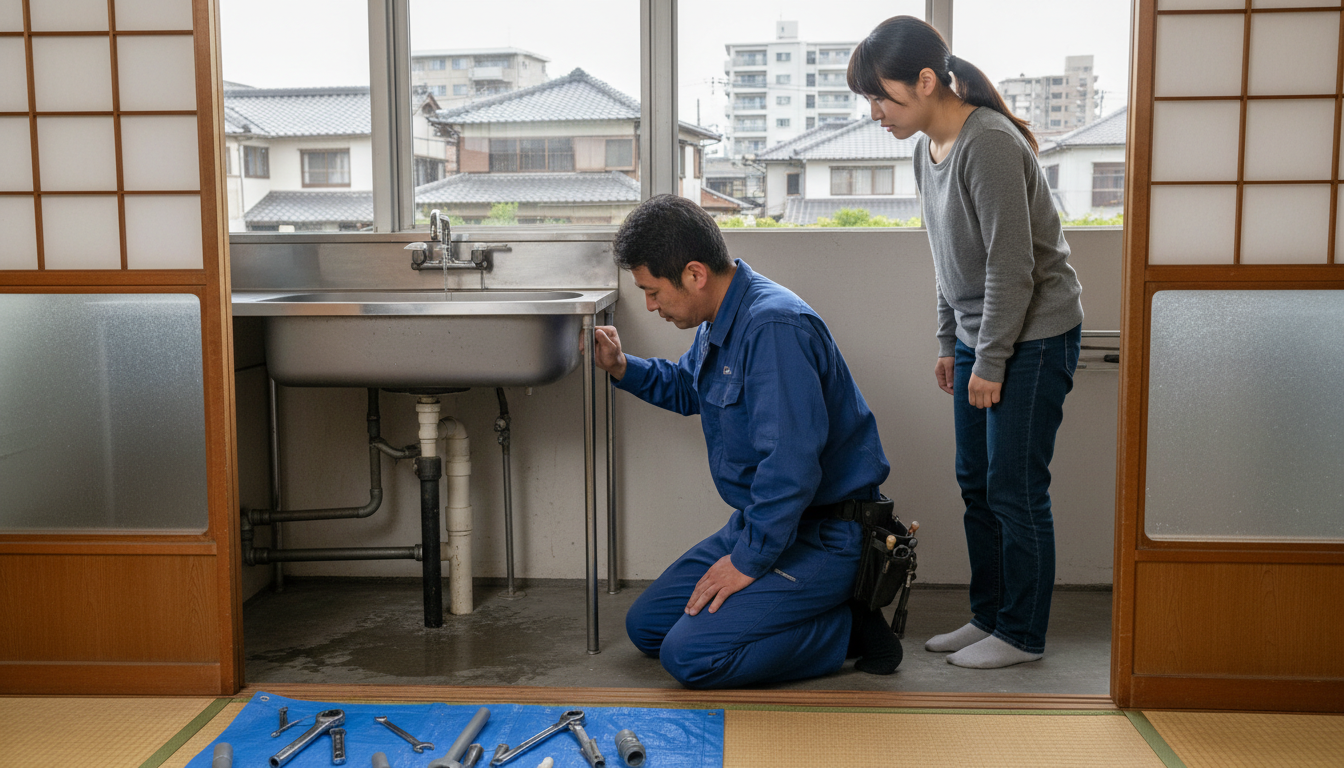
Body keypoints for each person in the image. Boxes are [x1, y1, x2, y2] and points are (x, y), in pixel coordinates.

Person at [847, 16, 1084, 669]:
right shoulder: (926, 150)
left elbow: (1013, 269)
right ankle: (990, 618)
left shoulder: (991, 145)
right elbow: (948, 262)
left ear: (926, 81)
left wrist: (992, 358)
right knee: (976, 484)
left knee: (1014, 488)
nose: (875, 112)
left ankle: (1022, 634)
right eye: (868, 99)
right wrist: (950, 343)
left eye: (883, 97)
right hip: (986, 341)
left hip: (1033, 336)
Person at [594, 194, 898, 689]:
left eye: (653, 292)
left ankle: (849, 629)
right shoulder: (723, 318)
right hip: (770, 522)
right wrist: (623, 368)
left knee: (689, 658)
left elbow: (791, 467)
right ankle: (799, 610)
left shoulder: (772, 326)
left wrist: (746, 562)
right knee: (647, 627)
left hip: (826, 535)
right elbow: (689, 387)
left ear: (694, 274)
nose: (650, 306)